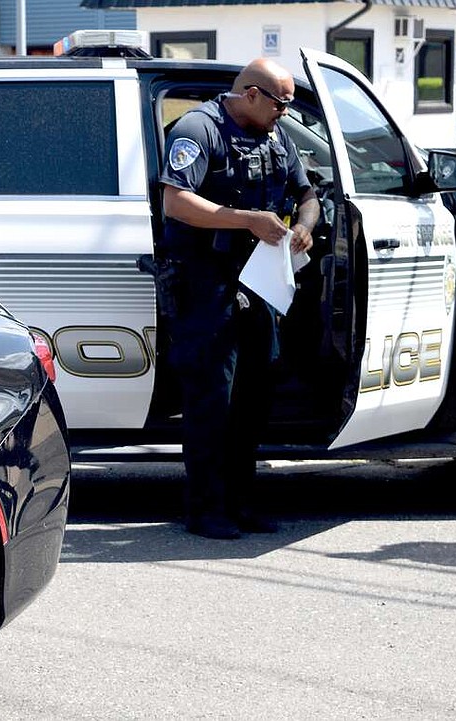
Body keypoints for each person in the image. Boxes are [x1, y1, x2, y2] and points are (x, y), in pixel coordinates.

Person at [159, 58, 320, 539]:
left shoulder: (277, 137)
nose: (285, 114)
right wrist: (247, 219)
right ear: (251, 93)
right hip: (207, 284)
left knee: (252, 399)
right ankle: (204, 510)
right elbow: (175, 200)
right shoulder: (199, 128)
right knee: (212, 401)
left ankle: (240, 502)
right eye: (280, 103)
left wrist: (305, 228)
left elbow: (307, 193)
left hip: (260, 284)